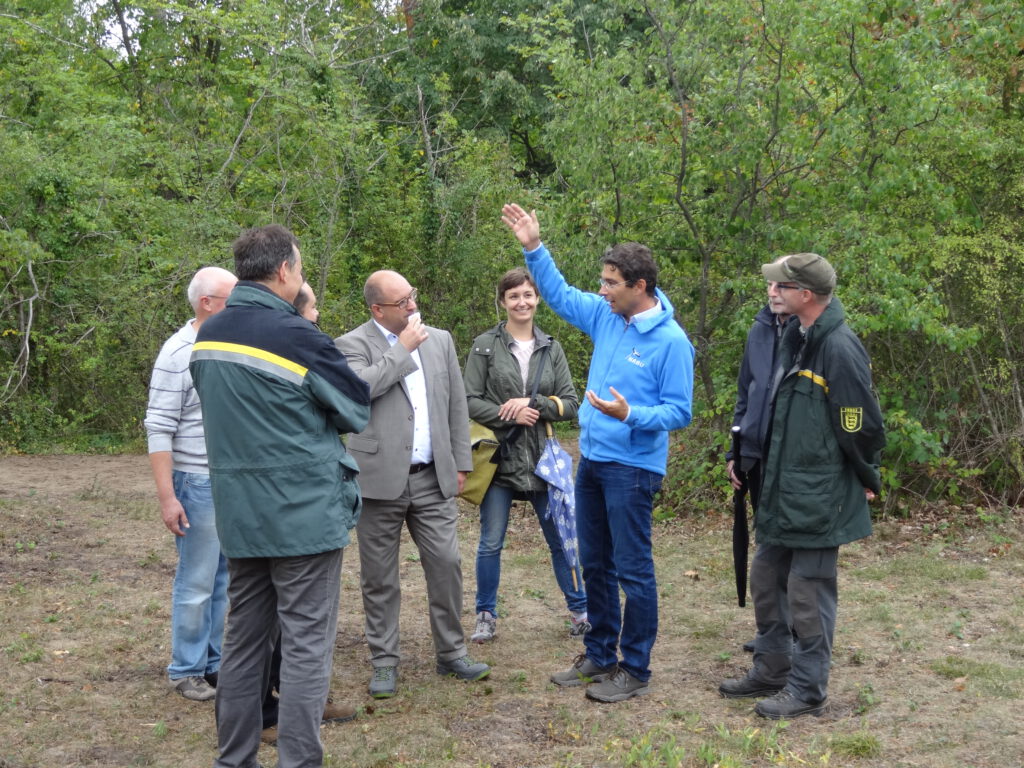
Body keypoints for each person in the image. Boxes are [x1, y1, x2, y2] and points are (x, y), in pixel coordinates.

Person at [190, 224, 371, 768]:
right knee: (306, 645)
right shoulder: (298, 336)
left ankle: (235, 758)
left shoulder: (207, 335)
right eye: (301, 266)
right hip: (304, 518)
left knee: (244, 644)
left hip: (241, 516)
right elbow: (355, 408)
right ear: (285, 271)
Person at [501, 204, 695, 703]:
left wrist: (632, 415)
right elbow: (563, 296)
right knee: (595, 564)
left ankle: (635, 667)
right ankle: (600, 653)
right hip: (592, 462)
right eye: (603, 281)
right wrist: (533, 247)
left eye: (611, 282)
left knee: (633, 569)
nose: (603, 289)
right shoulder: (609, 317)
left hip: (633, 469)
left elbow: (679, 412)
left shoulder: (671, 342)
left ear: (640, 286)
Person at [718, 252, 886, 719]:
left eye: (781, 285)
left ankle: (808, 689)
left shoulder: (839, 347)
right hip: (781, 488)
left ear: (804, 294)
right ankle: (772, 669)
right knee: (768, 578)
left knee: (808, 591)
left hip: (818, 497)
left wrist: (863, 474)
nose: (773, 291)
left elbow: (861, 423)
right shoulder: (797, 336)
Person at [335, 270, 490, 700]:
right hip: (377, 481)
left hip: (432, 478)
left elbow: (457, 405)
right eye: (402, 301)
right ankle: (384, 661)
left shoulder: (439, 340)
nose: (412, 305)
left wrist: (461, 462)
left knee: (446, 564)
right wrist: (401, 351)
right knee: (379, 577)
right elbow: (357, 392)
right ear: (376, 309)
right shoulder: (349, 345)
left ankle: (452, 653)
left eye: (412, 296)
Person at [463, 267, 584, 643]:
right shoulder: (484, 346)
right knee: (491, 541)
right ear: (503, 302)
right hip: (499, 458)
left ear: (537, 299)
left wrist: (533, 403)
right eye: (514, 296)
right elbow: (468, 400)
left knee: (561, 539)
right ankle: (486, 614)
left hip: (543, 461)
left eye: (528, 295)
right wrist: (508, 411)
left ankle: (580, 612)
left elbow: (571, 404)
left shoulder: (553, 348)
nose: (522, 302)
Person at [145, 266, 236, 702]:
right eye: (231, 296)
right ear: (207, 303)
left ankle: (213, 664)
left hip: (228, 481)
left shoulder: (227, 345)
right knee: (197, 581)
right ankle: (186, 670)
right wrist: (169, 497)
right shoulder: (178, 351)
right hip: (196, 483)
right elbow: (158, 426)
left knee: (222, 579)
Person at [726, 264, 793, 652]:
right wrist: (736, 453)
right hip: (757, 459)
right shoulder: (760, 329)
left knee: (790, 551)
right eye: (769, 284)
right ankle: (774, 632)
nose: (772, 291)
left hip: (791, 462)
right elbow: (745, 393)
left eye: (781, 285)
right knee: (767, 544)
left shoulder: (808, 335)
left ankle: (794, 634)